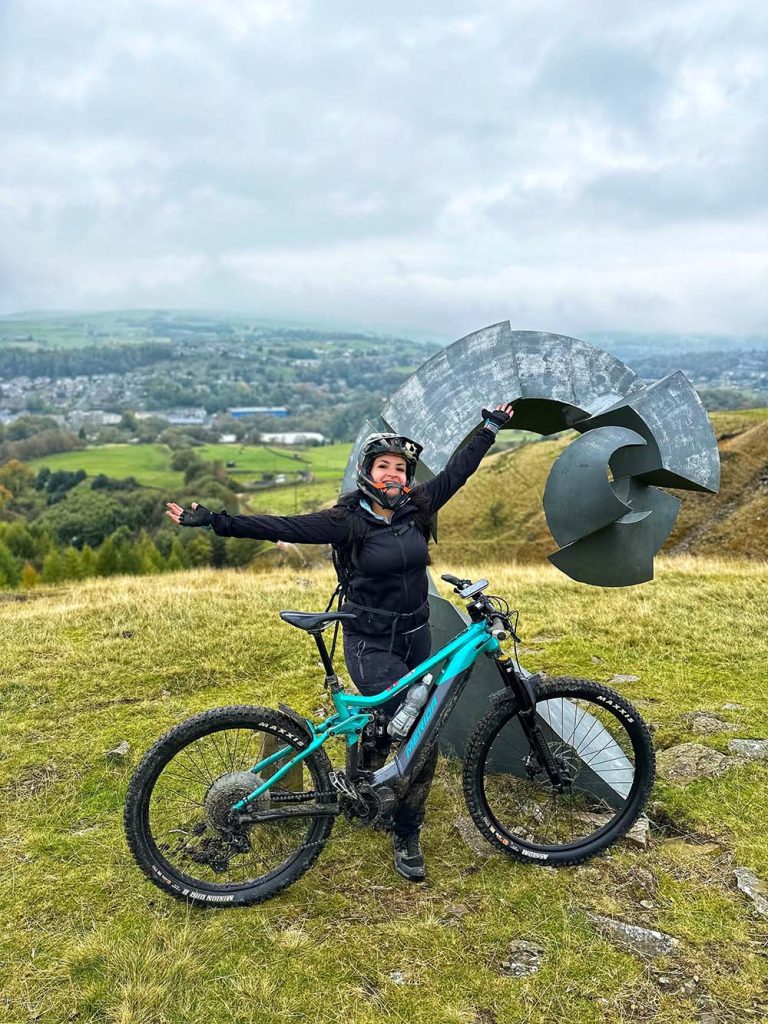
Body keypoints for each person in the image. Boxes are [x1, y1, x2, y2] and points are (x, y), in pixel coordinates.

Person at [165, 402, 515, 882]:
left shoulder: (418, 508)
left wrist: (490, 428)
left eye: (400, 468)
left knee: (403, 726)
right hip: (369, 640)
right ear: (367, 473)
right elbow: (282, 526)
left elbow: (459, 471)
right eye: (383, 466)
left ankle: (393, 816)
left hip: (418, 635)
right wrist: (216, 520)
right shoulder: (347, 521)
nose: (393, 474)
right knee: (416, 734)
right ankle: (392, 816)